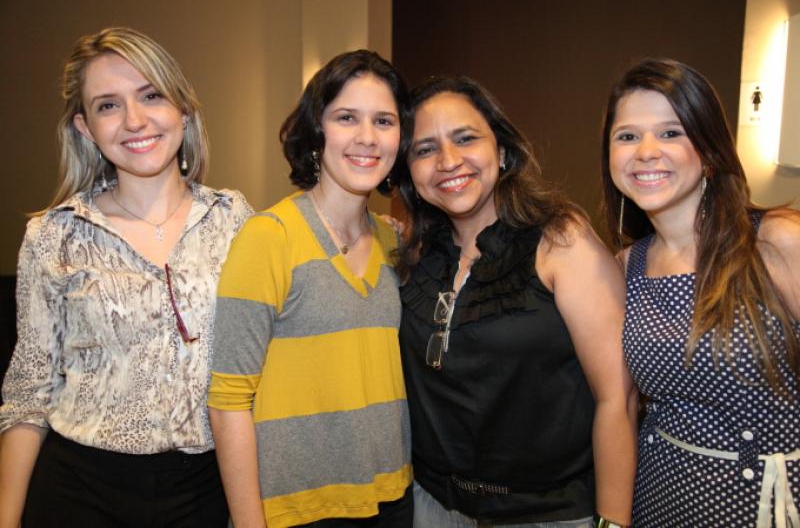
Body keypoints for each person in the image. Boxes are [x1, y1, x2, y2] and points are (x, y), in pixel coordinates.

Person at [0, 27, 252, 527]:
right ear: (85, 127)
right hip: (79, 492)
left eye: (151, 95)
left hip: (207, 491)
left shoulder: (235, 220)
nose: (134, 120)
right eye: (108, 105)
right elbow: (28, 394)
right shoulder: (54, 236)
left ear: (183, 109)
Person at [394, 76, 637, 528]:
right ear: (409, 170)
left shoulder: (561, 241)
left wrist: (613, 522)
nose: (448, 161)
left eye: (465, 138)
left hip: (545, 514)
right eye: (425, 149)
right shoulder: (414, 254)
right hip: (433, 505)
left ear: (502, 150)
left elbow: (617, 398)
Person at [207, 50, 413, 528]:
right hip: (297, 511)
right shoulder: (269, 237)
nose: (367, 137)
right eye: (347, 118)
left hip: (392, 498)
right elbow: (228, 401)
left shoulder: (394, 243)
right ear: (317, 130)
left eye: (384, 121)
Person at [601, 58, 800, 527]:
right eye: (627, 136)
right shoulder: (627, 266)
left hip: (762, 506)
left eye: (671, 132)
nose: (646, 152)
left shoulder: (776, 242)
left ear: (709, 150)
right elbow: (621, 403)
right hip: (656, 501)